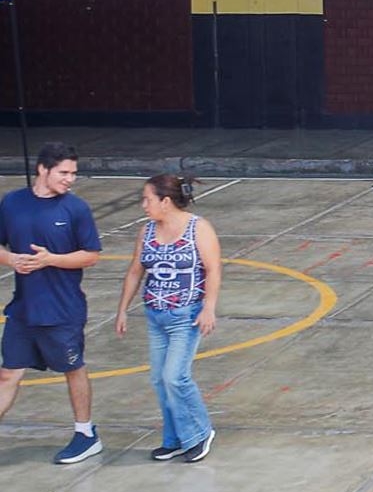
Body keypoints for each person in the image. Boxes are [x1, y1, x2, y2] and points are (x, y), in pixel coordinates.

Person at [0, 143, 104, 464]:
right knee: (7, 375)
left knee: (72, 369)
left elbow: (91, 255)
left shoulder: (76, 209)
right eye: (64, 172)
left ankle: (86, 434)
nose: (71, 179)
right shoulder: (12, 203)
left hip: (62, 310)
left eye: (73, 173)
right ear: (43, 170)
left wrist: (51, 260)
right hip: (24, 309)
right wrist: (11, 259)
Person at [113, 173, 222, 463]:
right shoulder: (147, 232)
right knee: (159, 380)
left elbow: (213, 269)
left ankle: (200, 432)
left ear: (166, 201)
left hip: (185, 316)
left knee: (176, 376)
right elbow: (136, 271)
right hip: (155, 316)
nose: (143, 205)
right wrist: (123, 308)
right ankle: (174, 439)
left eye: (147, 199)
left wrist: (209, 307)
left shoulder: (199, 229)